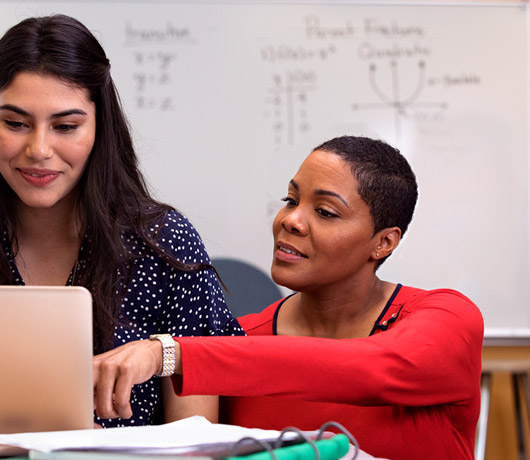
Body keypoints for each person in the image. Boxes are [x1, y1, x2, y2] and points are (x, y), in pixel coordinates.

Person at [0, 14, 242, 427]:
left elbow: (195, 440)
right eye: (16, 123)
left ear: (99, 127)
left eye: (66, 126)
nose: (39, 149)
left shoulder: (163, 243)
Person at [93, 136, 483, 459]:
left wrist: (172, 353)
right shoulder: (235, 344)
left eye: (326, 212)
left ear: (383, 242)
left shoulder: (447, 319)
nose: (290, 220)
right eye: (291, 200)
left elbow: (375, 369)